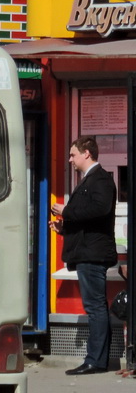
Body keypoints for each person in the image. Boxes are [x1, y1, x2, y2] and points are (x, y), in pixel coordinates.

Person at [50, 136, 117, 375]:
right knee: (95, 306)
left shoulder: (100, 179)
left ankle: (96, 361)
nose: (70, 160)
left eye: (73, 155)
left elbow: (100, 209)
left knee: (95, 307)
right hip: (89, 251)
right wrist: (64, 228)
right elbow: (90, 218)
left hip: (93, 254)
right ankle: (96, 359)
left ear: (86, 153)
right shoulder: (91, 179)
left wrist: (67, 211)